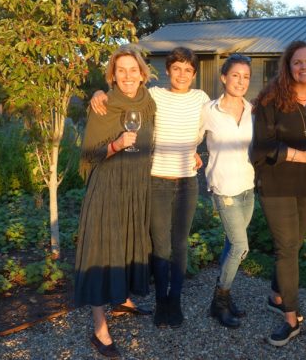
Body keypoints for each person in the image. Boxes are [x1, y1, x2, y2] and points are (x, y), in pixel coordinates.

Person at [90, 47, 209, 329]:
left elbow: (212, 126)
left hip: (186, 182)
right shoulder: (153, 96)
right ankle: (160, 301)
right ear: (167, 71)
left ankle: (174, 301)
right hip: (156, 179)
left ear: (194, 74)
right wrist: (99, 93)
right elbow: (123, 98)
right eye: (176, 68)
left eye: (188, 70)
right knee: (160, 245)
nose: (182, 75)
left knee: (180, 245)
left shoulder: (201, 99)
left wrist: (196, 150)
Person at [74, 46, 156, 359]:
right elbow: (88, 155)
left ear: (142, 72)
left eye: (132, 69)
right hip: (108, 189)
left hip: (136, 188)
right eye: (120, 70)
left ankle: (122, 298)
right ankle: (99, 329)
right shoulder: (103, 106)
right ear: (112, 74)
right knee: (102, 250)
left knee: (126, 247)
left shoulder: (150, 102)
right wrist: (117, 144)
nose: (127, 76)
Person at [251, 40, 306, 346]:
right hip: (277, 185)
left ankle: (276, 294)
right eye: (297, 62)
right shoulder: (271, 100)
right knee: (286, 249)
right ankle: (291, 317)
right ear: (288, 66)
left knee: (292, 246)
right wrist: (303, 156)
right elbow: (261, 147)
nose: (304, 67)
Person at [199, 54, 254, 328]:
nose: (241, 81)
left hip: (248, 187)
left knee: (232, 245)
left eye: (246, 77)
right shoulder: (209, 110)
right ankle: (219, 301)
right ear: (224, 77)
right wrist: (193, 155)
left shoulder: (251, 111)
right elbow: (191, 137)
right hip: (225, 189)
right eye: (235, 75)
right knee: (241, 247)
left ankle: (222, 297)